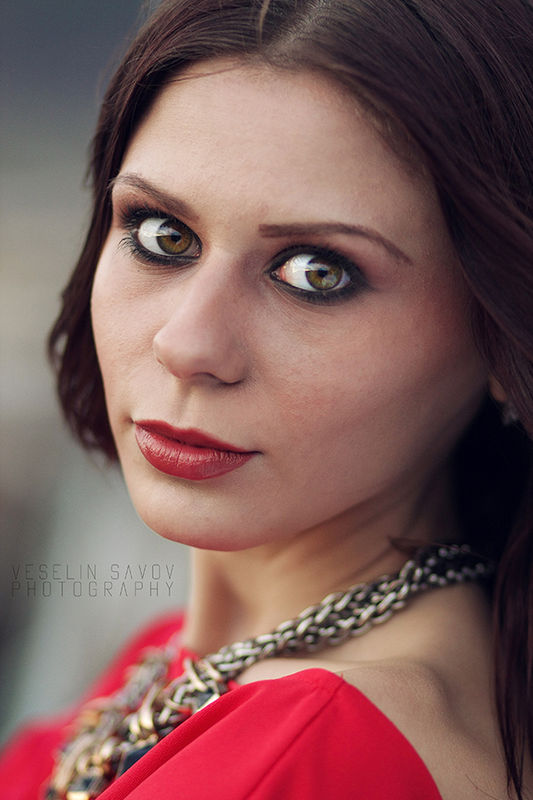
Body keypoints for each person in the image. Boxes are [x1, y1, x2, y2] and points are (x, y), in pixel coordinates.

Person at [1, 0, 532, 797]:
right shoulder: (185, 660)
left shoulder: (305, 751)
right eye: (163, 235)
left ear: (503, 331)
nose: (187, 345)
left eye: (317, 272)